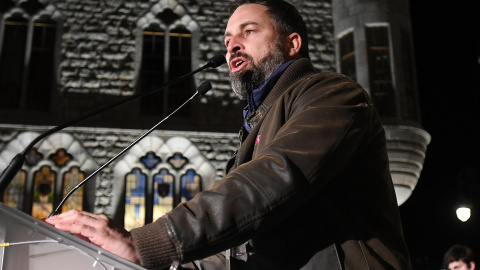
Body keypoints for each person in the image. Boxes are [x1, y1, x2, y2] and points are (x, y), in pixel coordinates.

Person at [46, 0, 413, 269]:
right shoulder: (255, 127)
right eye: (227, 40)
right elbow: (236, 250)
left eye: (248, 32)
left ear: (292, 44)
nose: (231, 45)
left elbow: (276, 178)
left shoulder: (334, 95)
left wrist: (151, 243)